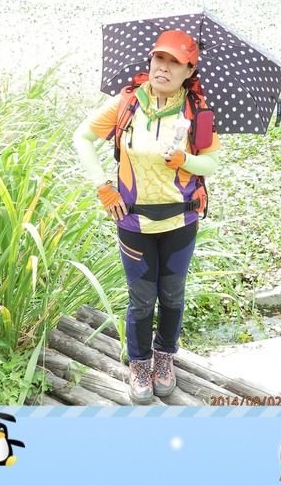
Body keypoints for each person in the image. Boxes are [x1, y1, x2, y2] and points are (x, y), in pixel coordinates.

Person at [73, 29, 221, 404]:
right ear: (150, 60)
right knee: (141, 298)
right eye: (159, 58)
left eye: (175, 62)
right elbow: (82, 138)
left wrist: (185, 159)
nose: (164, 67)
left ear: (189, 71)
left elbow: (211, 164)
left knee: (171, 294)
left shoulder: (198, 112)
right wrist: (103, 186)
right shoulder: (126, 104)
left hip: (181, 221)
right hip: (134, 220)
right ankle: (140, 364)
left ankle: (165, 357)